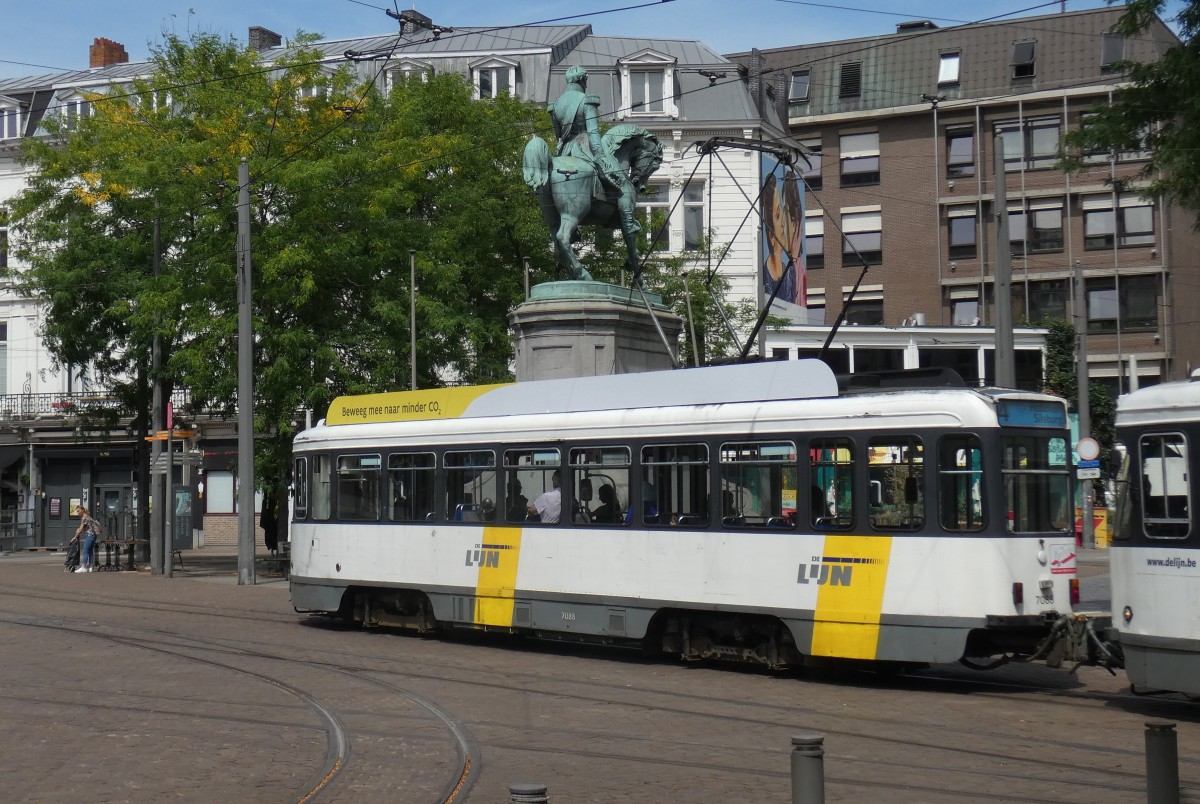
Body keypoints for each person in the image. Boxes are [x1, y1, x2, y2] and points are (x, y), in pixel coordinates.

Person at [549, 65, 641, 237]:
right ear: (584, 81)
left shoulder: (555, 106)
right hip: (585, 148)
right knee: (622, 182)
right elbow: (593, 133)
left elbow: (558, 136)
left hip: (564, 151)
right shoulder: (587, 100)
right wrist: (601, 157)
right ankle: (629, 223)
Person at [74, 504, 102, 573]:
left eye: (79, 511)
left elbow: (80, 529)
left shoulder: (84, 517)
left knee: (85, 550)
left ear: (83, 510)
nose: (78, 513)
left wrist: (75, 537)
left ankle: (83, 567)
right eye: (77, 511)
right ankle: (91, 566)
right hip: (93, 535)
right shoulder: (88, 516)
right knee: (89, 551)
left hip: (90, 535)